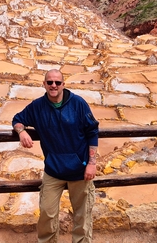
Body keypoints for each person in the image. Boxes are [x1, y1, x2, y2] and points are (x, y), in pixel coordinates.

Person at [12, 69, 99, 243]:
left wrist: (91, 163)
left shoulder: (78, 104)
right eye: (50, 82)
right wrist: (21, 132)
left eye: (57, 82)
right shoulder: (37, 107)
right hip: (53, 170)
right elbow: (17, 119)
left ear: (63, 85)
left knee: (82, 216)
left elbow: (92, 131)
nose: (53, 85)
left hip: (80, 170)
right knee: (47, 213)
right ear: (44, 84)